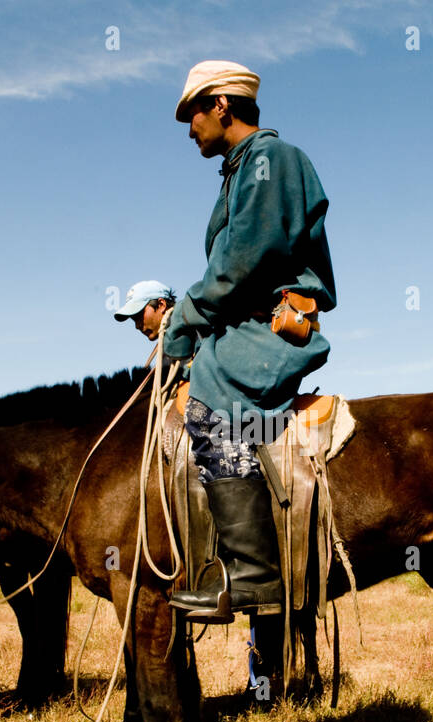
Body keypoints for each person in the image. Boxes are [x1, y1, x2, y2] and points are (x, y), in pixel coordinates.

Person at [162, 60, 337, 616]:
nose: (190, 130)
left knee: (211, 400)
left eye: (192, 114)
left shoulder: (270, 160)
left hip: (274, 327)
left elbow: (243, 263)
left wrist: (183, 317)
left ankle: (254, 574)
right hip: (243, 319)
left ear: (220, 105)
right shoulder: (240, 170)